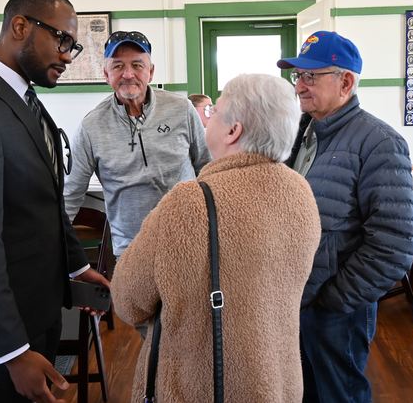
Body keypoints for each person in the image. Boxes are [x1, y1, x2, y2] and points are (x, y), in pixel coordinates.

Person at [0, 0, 109, 403]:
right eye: (62, 40)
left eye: (74, 44)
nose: (68, 55)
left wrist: (75, 267)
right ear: (20, 27)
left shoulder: (24, 99)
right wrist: (12, 352)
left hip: (41, 305)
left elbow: (46, 201)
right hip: (7, 325)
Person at [111, 73, 321, 402]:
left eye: (214, 111)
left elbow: (127, 301)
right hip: (279, 382)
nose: (207, 118)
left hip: (203, 386)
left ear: (233, 129)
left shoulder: (188, 203)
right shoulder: (300, 192)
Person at [277, 31, 413, 403]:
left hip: (335, 309)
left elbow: (395, 243)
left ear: (345, 81)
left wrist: (334, 299)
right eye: (298, 76)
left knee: (339, 394)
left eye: (311, 76)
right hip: (297, 299)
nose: (300, 87)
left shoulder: (378, 142)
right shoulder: (303, 132)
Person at [63, 30, 210, 258]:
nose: (128, 74)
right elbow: (71, 194)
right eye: (118, 66)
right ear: (106, 74)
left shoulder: (182, 109)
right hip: (131, 251)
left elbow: (207, 169)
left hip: (189, 240)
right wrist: (56, 250)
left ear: (151, 72)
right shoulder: (91, 126)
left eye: (137, 65)